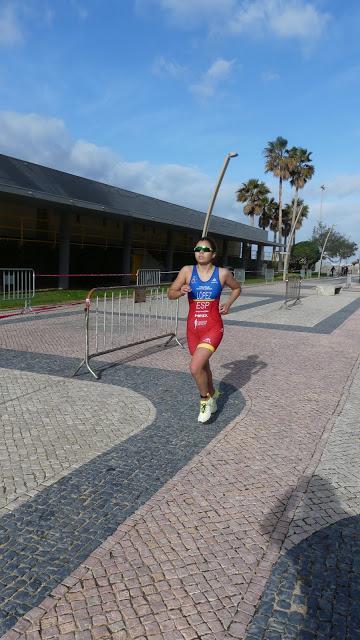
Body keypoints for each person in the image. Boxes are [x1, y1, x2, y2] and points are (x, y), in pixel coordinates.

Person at [168, 237, 241, 423]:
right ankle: (214, 394)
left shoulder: (222, 273)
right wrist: (181, 291)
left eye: (205, 249)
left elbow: (237, 288)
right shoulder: (187, 271)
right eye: (197, 248)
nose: (200, 252)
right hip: (193, 329)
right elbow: (171, 294)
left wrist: (228, 304)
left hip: (213, 328)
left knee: (194, 367)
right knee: (203, 366)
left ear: (213, 254)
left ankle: (205, 400)